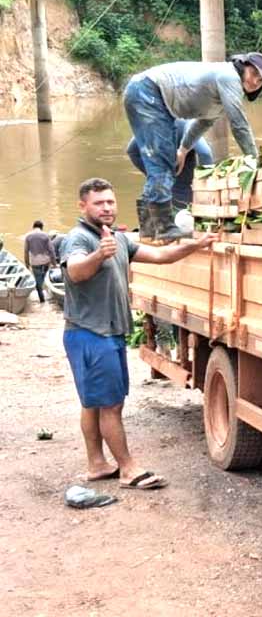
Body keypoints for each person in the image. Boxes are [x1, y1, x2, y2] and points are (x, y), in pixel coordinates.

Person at [61, 177, 217, 488]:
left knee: (93, 402)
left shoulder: (118, 240)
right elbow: (75, 271)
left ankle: (97, 465)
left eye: (110, 202)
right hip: (92, 333)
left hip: (106, 333)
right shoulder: (79, 238)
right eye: (98, 203)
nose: (106, 208)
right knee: (111, 404)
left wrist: (194, 245)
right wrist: (98, 255)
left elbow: (159, 256)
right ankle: (128, 468)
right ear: (83, 206)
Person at [123, 52, 262, 241]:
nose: (255, 81)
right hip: (148, 92)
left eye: (261, 81)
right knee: (161, 162)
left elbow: (202, 124)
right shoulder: (229, 76)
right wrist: (256, 161)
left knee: (160, 161)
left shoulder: (222, 94)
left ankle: (148, 230)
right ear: (243, 67)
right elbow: (239, 125)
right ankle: (164, 228)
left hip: (154, 100)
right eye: (254, 73)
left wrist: (183, 149)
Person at [126, 119, 214, 239]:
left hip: (155, 194)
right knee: (183, 228)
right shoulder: (187, 124)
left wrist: (152, 174)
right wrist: (206, 187)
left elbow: (132, 151)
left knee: (151, 236)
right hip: (183, 194)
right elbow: (205, 153)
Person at [24, 220, 56, 303]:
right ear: (42, 227)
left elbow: (26, 251)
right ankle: (46, 292)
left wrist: (27, 264)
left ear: (33, 227)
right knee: (43, 278)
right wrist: (54, 263)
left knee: (38, 281)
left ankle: (42, 299)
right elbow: (51, 250)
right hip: (46, 262)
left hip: (35, 263)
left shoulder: (28, 236)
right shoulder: (45, 235)